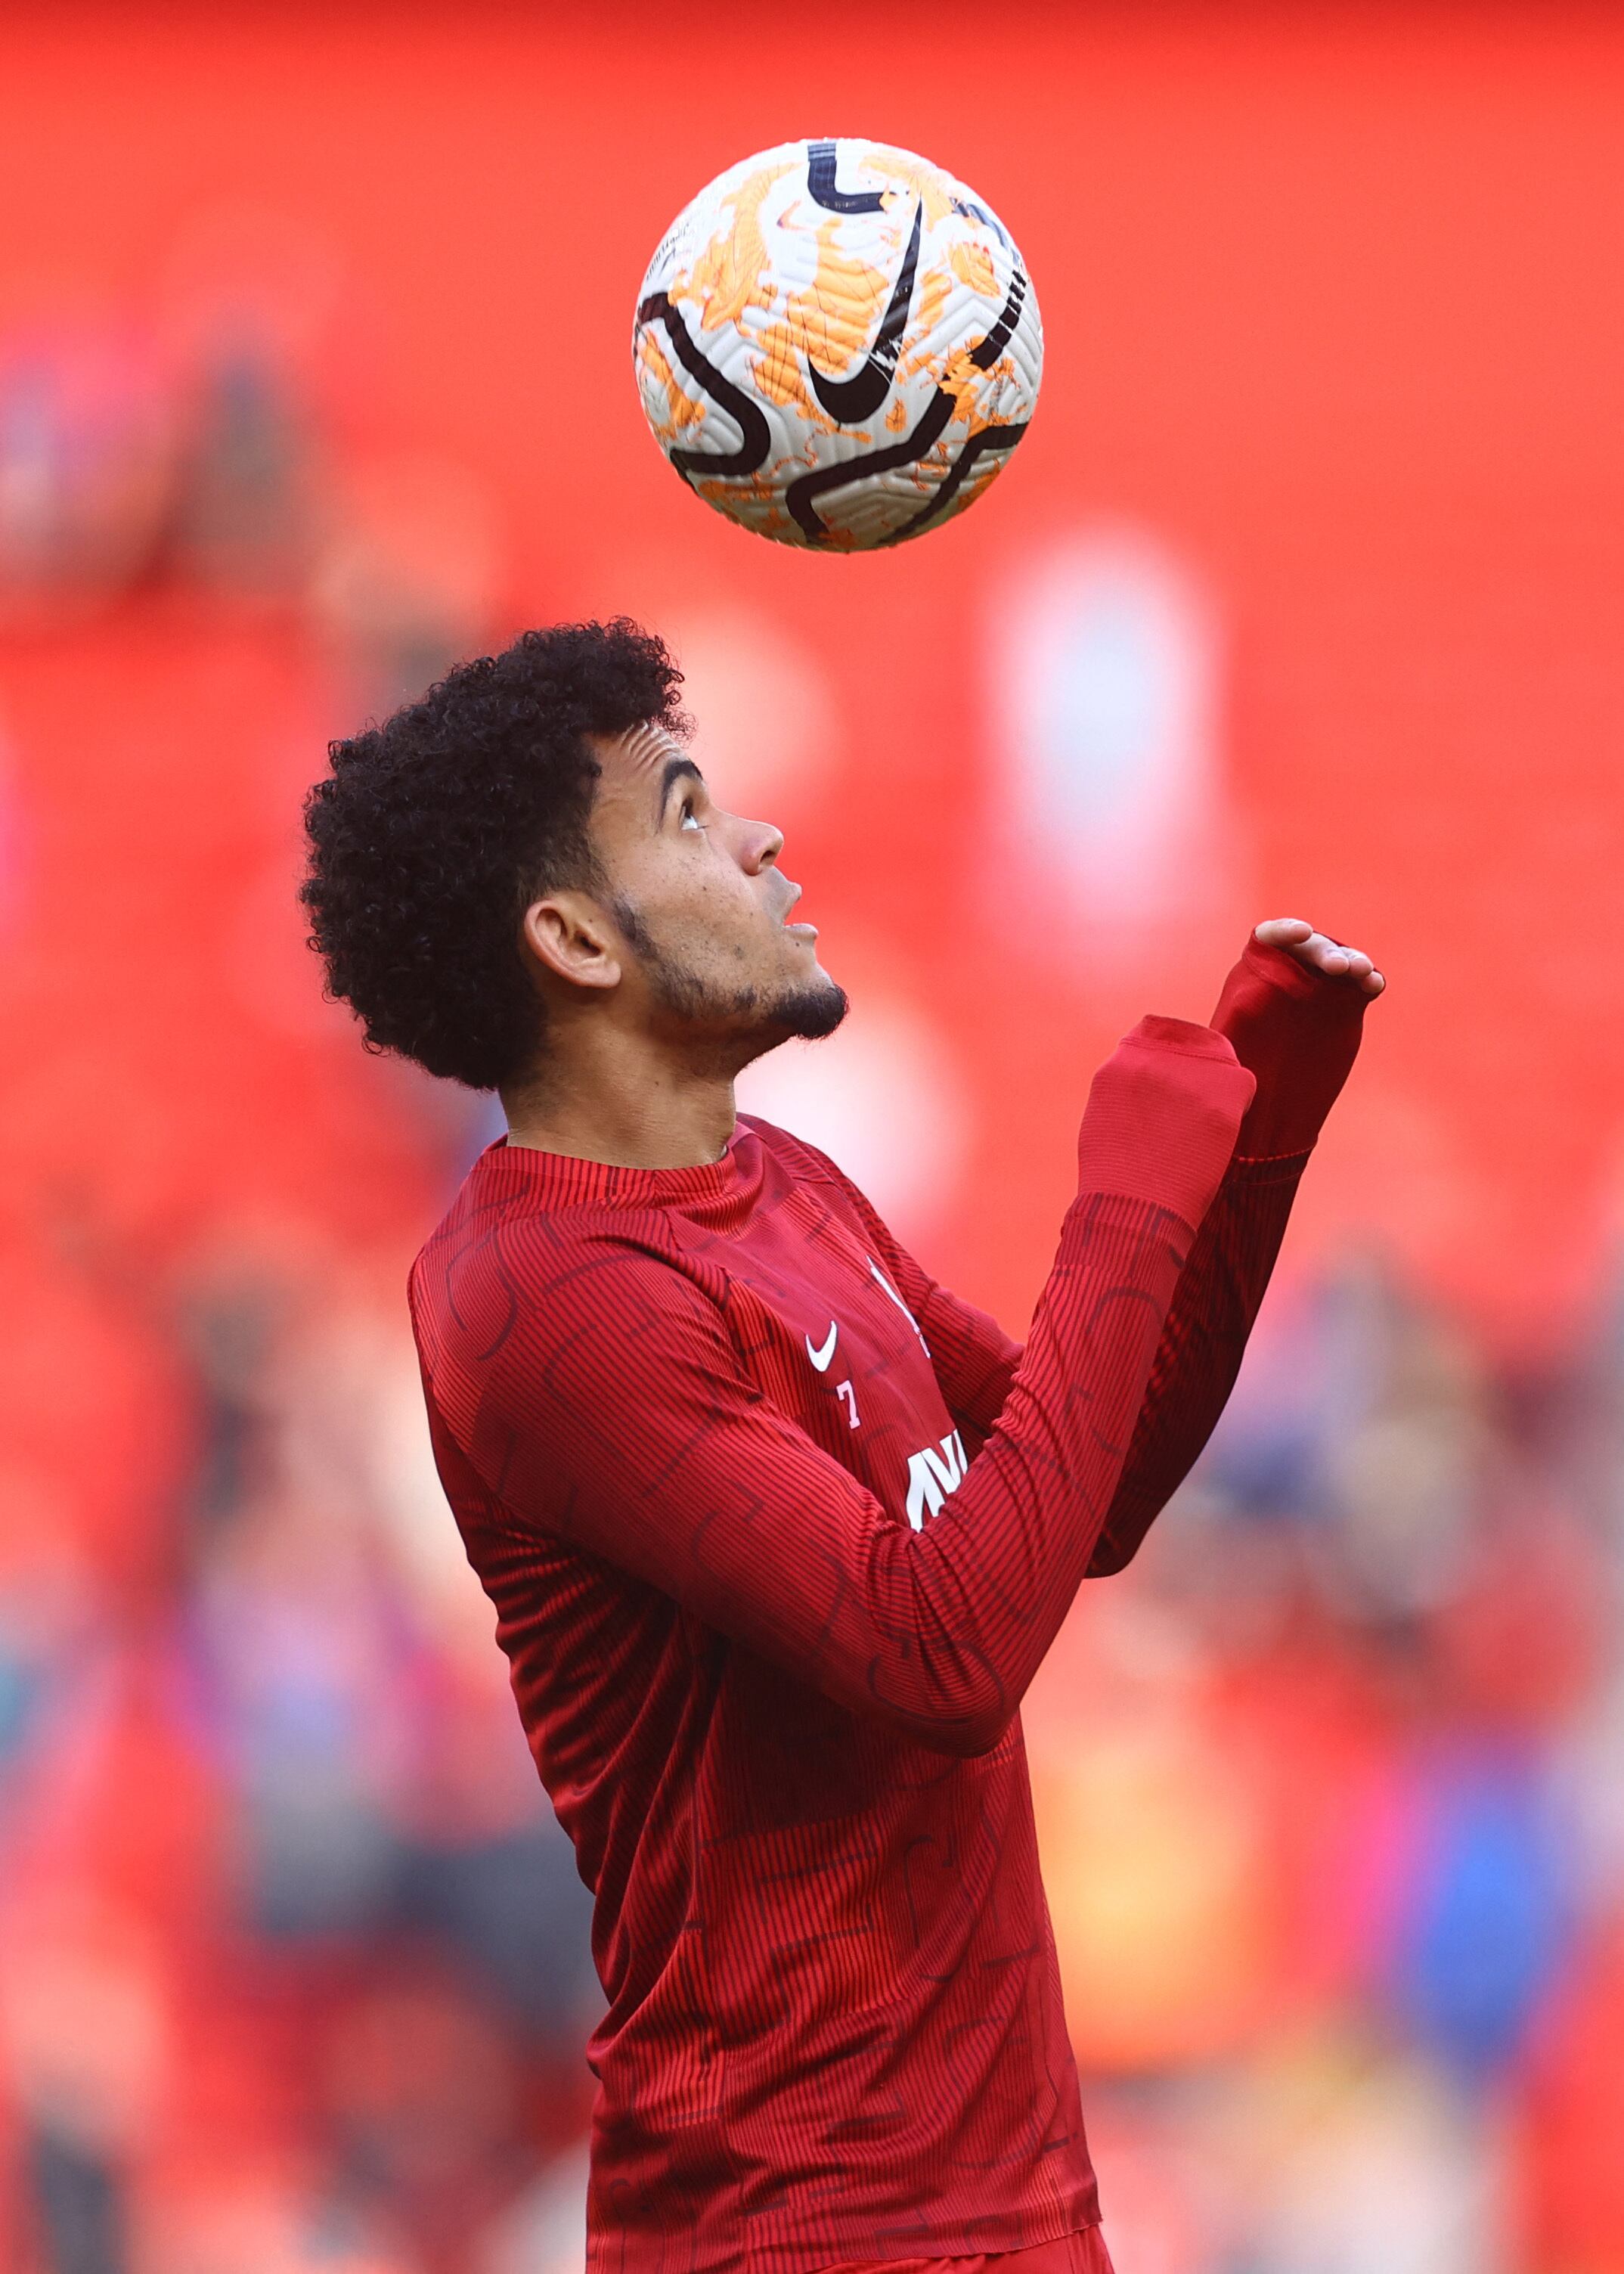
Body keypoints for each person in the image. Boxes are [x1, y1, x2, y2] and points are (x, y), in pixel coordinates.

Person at [301, 619, 1383, 2274]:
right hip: (798, 2220)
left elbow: (1072, 1495)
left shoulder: (783, 1182)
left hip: (1004, 2199)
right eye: (683, 814)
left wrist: (1248, 1138)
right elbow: (944, 1651)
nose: (756, 838)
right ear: (576, 939)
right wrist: (1122, 1197)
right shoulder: (543, 1302)